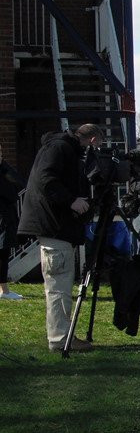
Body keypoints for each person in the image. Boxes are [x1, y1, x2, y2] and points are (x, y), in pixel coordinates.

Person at [18, 124, 102, 351]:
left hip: (55, 226)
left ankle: (62, 336)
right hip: (55, 228)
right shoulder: (59, 148)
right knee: (58, 285)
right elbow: (47, 180)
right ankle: (60, 339)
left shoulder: (58, 147)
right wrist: (71, 200)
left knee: (59, 283)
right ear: (92, 140)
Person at [0, 147, 27, 300]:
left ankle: (4, 290)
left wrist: (3, 165)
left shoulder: (4, 171)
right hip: (3, 216)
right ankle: (4, 290)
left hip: (5, 216)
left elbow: (21, 183)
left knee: (3, 253)